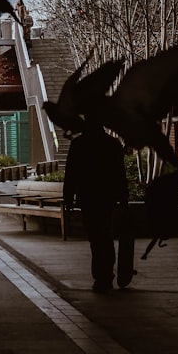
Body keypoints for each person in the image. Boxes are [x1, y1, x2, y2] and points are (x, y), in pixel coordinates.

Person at [61, 118, 128, 293]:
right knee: (105, 234)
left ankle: (101, 276)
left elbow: (71, 172)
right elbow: (120, 172)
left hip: (88, 197)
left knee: (95, 237)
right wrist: (123, 197)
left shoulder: (79, 144)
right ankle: (105, 275)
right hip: (107, 197)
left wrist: (68, 197)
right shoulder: (112, 144)